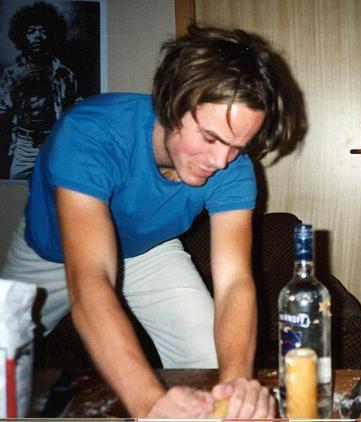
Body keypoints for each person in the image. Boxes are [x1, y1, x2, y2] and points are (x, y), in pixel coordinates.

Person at [1, 24, 296, 418]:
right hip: (51, 253)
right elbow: (90, 278)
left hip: (149, 250)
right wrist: (149, 401)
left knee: (212, 361)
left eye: (237, 146)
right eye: (210, 138)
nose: (221, 162)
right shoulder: (90, 132)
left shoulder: (234, 168)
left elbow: (234, 284)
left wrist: (239, 382)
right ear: (171, 102)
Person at [0, 1, 80, 179]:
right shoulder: (11, 74)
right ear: (21, 36)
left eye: (43, 31)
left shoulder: (64, 74)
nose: (37, 36)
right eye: (31, 31)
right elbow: (2, 111)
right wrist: (16, 85)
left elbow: (76, 110)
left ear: (52, 34)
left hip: (55, 144)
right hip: (24, 146)